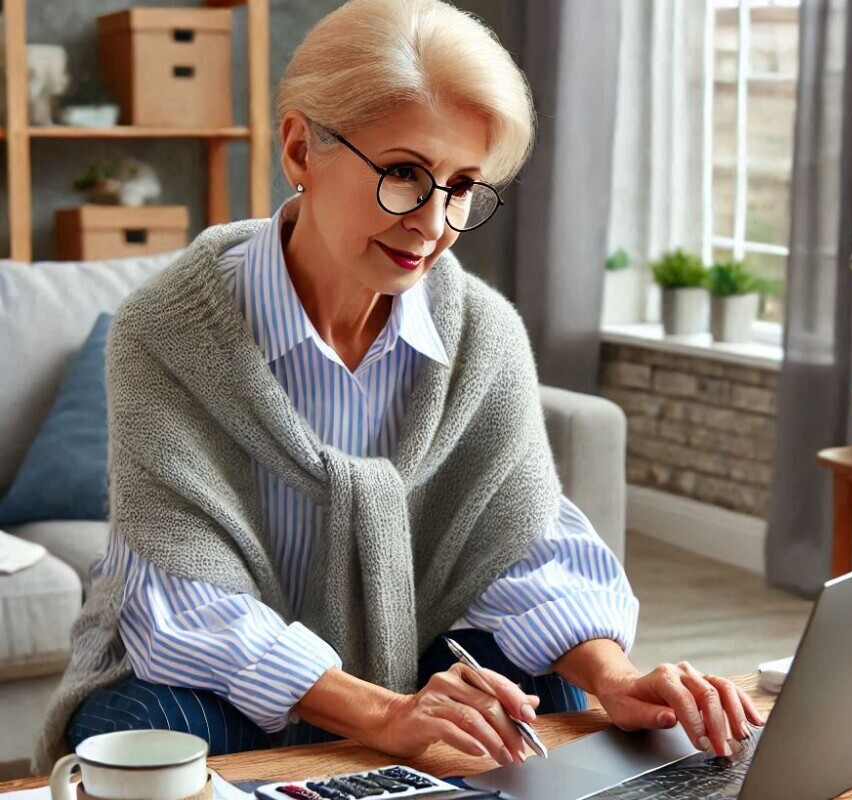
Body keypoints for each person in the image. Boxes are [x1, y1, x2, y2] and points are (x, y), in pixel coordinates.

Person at [34, 0, 762, 774]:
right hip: (218, 681)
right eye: (405, 173)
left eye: (461, 185)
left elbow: (521, 547)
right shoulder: (165, 330)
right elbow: (183, 602)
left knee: (551, 692)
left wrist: (616, 679)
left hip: (414, 655)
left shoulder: (483, 334)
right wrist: (382, 714)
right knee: (145, 732)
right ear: (299, 149)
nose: (433, 221)